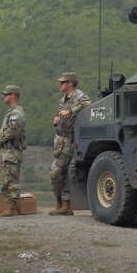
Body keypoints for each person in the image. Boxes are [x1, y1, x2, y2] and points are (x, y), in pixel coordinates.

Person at [49, 72, 91, 216]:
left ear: (70, 84)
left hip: (69, 140)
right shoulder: (63, 99)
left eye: (63, 82)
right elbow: (61, 114)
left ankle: (62, 203)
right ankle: (64, 205)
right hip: (59, 139)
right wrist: (56, 119)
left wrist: (70, 111)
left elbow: (88, 104)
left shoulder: (79, 96)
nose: (60, 85)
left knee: (56, 171)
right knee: (63, 173)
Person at [0, 85, 27, 217]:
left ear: (13, 95)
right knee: (5, 179)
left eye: (6, 94)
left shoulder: (16, 113)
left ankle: (11, 209)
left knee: (10, 180)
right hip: (7, 152)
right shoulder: (12, 112)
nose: (4, 97)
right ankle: (13, 208)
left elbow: (13, 131)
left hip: (11, 152)